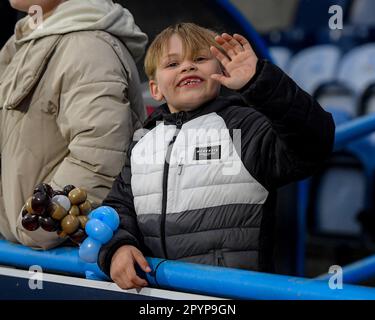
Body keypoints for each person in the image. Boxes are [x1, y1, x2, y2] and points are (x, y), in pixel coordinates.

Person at [98, 23, 335, 289]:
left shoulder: (247, 127)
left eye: (199, 59)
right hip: (158, 297)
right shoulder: (143, 140)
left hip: (230, 296)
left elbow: (315, 141)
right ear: (155, 90)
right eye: (173, 64)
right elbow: (119, 207)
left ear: (222, 71)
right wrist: (118, 247)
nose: (188, 67)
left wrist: (260, 82)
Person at [0, 0, 148, 248]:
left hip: (59, 265)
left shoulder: (86, 46)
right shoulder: (27, 41)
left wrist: (37, 225)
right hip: (26, 257)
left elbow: (100, 157)